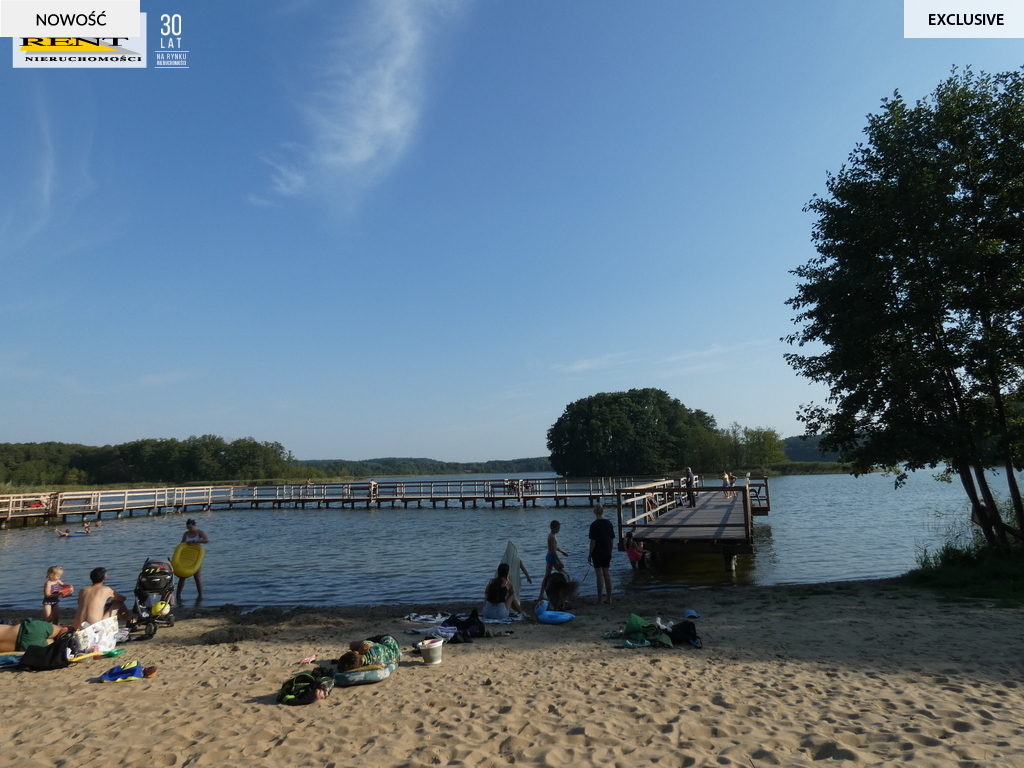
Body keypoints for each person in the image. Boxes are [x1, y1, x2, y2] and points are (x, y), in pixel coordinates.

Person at [587, 505, 615, 604]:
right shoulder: (609, 523)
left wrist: (590, 554)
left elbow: (593, 541)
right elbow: (611, 540)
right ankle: (609, 598)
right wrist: (610, 551)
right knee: (607, 574)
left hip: (597, 552)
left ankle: (599, 598)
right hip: (607, 551)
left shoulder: (594, 525)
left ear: (594, 512)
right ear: (603, 512)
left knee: (599, 575)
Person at [176, 518, 209, 601]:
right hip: (186, 556)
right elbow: (181, 544)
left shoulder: (200, 532)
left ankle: (200, 595)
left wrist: (194, 541)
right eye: (188, 528)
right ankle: (178, 595)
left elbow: (206, 540)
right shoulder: (186, 534)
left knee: (197, 577)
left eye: (190, 527)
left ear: (194, 525)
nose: (189, 529)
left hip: (196, 556)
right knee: (182, 576)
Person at [538, 520, 569, 601]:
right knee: (565, 574)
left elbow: (555, 547)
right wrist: (559, 562)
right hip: (551, 557)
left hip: (549, 556)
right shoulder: (552, 537)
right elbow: (553, 551)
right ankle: (568, 593)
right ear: (553, 528)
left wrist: (562, 551)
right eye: (558, 528)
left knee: (547, 576)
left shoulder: (552, 535)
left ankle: (541, 595)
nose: (559, 530)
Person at [337, 635, 401, 672]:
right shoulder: (369, 647)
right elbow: (368, 644)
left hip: (395, 653)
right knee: (352, 645)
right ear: (355, 652)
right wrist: (359, 651)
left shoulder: (371, 665)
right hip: (390, 642)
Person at [0, 620, 69, 653]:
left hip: (26, 646)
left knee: (55, 644)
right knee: (63, 630)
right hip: (27, 629)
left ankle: (66, 643)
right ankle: (68, 639)